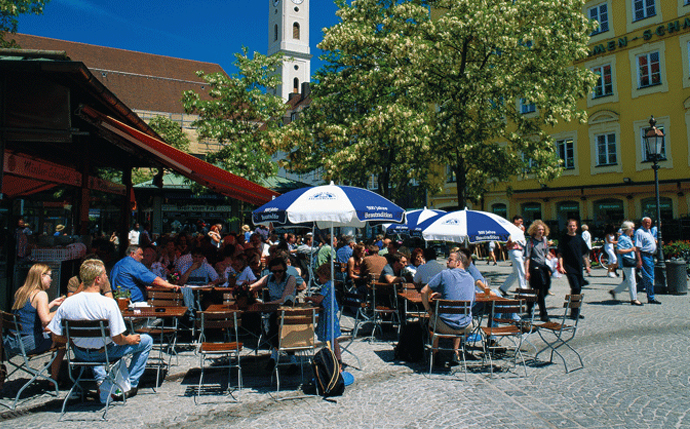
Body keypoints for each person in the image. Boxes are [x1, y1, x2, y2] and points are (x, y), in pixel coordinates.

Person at [48, 259, 152, 399]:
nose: (107, 277)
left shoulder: (67, 304)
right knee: (147, 341)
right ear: (97, 279)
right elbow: (118, 339)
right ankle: (131, 384)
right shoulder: (108, 304)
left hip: (80, 354)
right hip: (104, 353)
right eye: (104, 274)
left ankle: (103, 382)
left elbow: (55, 337)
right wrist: (129, 339)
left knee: (98, 343)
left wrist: (73, 339)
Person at [4, 263, 66, 381]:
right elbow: (46, 320)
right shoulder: (41, 294)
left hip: (11, 342)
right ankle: (53, 380)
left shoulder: (21, 291)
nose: (51, 279)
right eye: (49, 276)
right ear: (41, 276)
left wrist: (51, 304)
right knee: (61, 343)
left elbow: (30, 313)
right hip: (29, 344)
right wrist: (61, 310)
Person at [420, 252, 475, 364]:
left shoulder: (444, 274)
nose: (446, 261)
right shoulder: (471, 279)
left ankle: (435, 354)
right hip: (465, 326)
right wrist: (442, 294)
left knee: (432, 321)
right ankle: (456, 353)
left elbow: (423, 291)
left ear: (458, 263)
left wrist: (429, 311)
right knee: (459, 315)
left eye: (450, 260)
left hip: (444, 326)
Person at [249, 258, 297, 369]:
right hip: (272, 311)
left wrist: (265, 304)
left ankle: (274, 358)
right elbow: (254, 286)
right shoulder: (268, 278)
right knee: (272, 326)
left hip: (287, 311)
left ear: (284, 270)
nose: (277, 274)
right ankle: (285, 359)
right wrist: (245, 289)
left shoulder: (291, 279)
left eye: (280, 271)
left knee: (276, 328)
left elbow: (283, 299)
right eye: (274, 271)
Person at [110, 245, 179, 303]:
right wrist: (171, 286)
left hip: (117, 302)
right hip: (133, 304)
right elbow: (154, 280)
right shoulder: (133, 264)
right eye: (140, 255)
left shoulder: (117, 264)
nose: (142, 257)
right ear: (132, 254)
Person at [305, 264, 342, 365]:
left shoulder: (326, 285)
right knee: (332, 338)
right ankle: (335, 358)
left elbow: (318, 300)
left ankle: (336, 360)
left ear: (325, 276)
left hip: (327, 314)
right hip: (330, 313)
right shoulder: (331, 284)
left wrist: (309, 298)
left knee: (332, 338)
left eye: (320, 277)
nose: (318, 279)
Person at [557, 219, 591, 319]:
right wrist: (561, 266)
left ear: (577, 227)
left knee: (578, 289)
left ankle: (575, 312)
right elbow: (560, 254)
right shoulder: (564, 239)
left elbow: (584, 254)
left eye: (574, 226)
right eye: (570, 226)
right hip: (569, 267)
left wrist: (587, 265)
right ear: (567, 227)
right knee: (575, 287)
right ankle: (574, 312)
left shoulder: (579, 238)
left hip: (578, 267)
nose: (572, 228)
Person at [524, 220, 552, 322]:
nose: (541, 231)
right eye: (539, 229)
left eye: (542, 229)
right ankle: (543, 313)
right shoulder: (530, 242)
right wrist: (526, 271)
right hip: (534, 267)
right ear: (534, 231)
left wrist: (553, 260)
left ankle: (531, 303)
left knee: (547, 287)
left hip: (543, 266)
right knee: (540, 289)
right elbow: (527, 257)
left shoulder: (544, 240)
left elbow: (546, 254)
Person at [610, 221, 643, 306]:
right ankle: (634, 299)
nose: (633, 230)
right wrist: (631, 249)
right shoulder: (623, 238)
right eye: (632, 228)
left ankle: (615, 291)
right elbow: (619, 250)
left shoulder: (627, 237)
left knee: (628, 280)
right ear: (628, 229)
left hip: (630, 261)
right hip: (627, 261)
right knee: (632, 280)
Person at [635, 217, 661, 304]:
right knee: (649, 278)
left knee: (648, 277)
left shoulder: (649, 231)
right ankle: (651, 298)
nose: (648, 224)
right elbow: (637, 247)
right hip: (645, 256)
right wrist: (639, 260)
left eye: (649, 222)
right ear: (642, 223)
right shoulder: (640, 232)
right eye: (646, 222)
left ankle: (634, 292)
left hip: (651, 256)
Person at [499, 215, 527, 295]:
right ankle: (523, 290)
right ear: (515, 221)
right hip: (514, 250)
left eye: (522, 222)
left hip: (521, 250)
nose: (521, 223)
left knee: (515, 272)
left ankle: (503, 288)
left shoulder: (520, 229)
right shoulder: (510, 229)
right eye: (520, 221)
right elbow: (508, 240)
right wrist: (516, 238)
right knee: (521, 270)